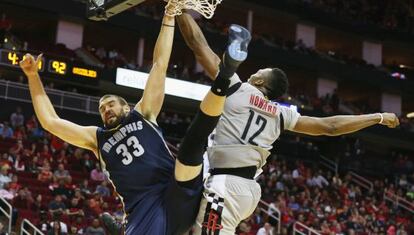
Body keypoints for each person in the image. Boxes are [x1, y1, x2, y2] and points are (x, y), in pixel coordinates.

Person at [19, 1, 250, 234]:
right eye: (102, 109)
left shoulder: (143, 113)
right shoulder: (95, 138)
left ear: (126, 107)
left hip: (175, 189)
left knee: (193, 154)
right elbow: (51, 121)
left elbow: (159, 65)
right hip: (143, 209)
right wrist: (32, 76)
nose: (106, 110)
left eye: (110, 105)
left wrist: (169, 17)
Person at [176, 12, 401, 234]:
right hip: (247, 190)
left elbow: (199, 45)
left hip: (226, 184)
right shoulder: (282, 114)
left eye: (259, 70)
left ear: (261, 80)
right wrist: (376, 117)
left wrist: (179, 11)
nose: (255, 70)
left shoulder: (236, 86)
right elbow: (330, 127)